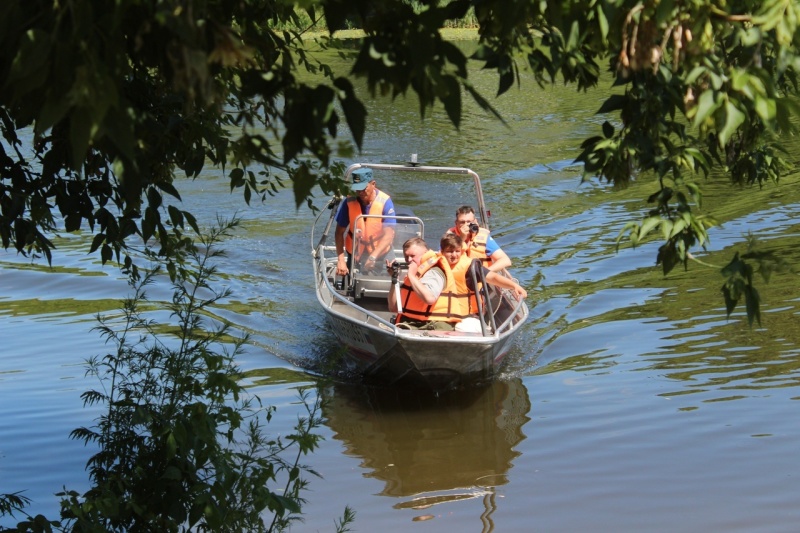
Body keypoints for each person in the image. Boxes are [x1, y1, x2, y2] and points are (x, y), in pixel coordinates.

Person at [439, 233, 527, 314]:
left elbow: (493, 277)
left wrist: (514, 286)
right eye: (450, 251)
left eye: (457, 251)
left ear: (461, 251)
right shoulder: (435, 265)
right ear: (442, 252)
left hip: (466, 316)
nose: (454, 255)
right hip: (440, 315)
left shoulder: (471, 266)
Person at [386, 237, 461, 330]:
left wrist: (411, 276)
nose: (409, 260)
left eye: (413, 256)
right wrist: (394, 279)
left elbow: (429, 298)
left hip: (433, 325)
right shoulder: (415, 274)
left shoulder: (434, 271)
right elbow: (393, 308)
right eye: (406, 257)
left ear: (425, 253)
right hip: (412, 323)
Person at [335, 167, 396, 276]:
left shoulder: (385, 202)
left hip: (381, 253)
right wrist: (341, 261)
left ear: (373, 184)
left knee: (386, 285)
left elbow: (389, 234)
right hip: (356, 253)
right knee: (354, 286)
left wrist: (373, 256)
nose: (360, 192)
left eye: (363, 188)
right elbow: (339, 232)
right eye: (357, 189)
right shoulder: (349, 202)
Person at [447, 206, 511, 272]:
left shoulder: (484, 237)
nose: (466, 225)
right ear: (456, 223)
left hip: (480, 278)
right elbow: (445, 260)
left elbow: (505, 260)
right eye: (462, 222)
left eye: (469, 222)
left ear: (475, 222)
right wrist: (462, 238)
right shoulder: (449, 238)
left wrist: (485, 273)